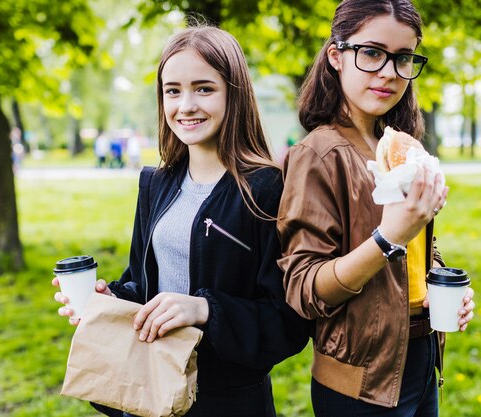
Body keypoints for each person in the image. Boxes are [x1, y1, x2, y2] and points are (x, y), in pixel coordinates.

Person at [53, 25, 309, 417]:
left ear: (234, 93)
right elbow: (144, 284)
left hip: (228, 402)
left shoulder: (266, 189)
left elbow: (287, 325)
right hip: (150, 388)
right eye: (173, 90)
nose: (186, 105)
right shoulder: (156, 184)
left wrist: (204, 310)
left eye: (204, 88)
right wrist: (111, 300)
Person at [276, 1, 475, 416]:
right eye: (371, 53)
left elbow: (417, 246)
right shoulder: (319, 153)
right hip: (358, 383)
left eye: (403, 58)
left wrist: (445, 283)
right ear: (336, 55)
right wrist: (388, 238)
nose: (388, 72)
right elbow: (304, 289)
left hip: (421, 361)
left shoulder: (401, 145)